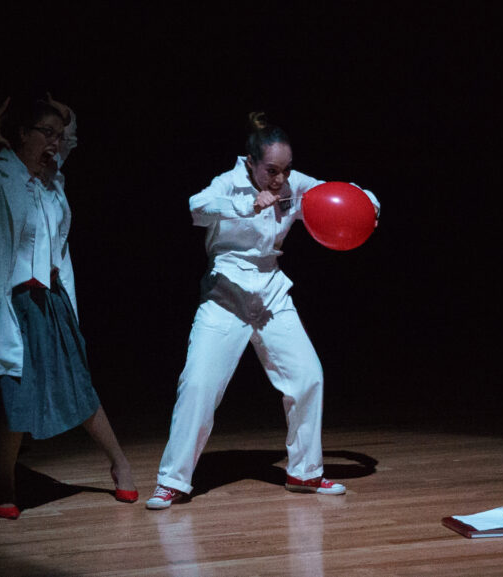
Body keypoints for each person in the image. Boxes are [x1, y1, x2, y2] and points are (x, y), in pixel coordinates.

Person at [146, 112, 380, 510]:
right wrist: (247, 205)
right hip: (225, 294)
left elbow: (343, 194)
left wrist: (368, 205)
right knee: (199, 384)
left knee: (307, 377)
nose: (280, 179)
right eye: (271, 170)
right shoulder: (228, 182)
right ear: (251, 162)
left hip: (272, 293)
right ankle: (173, 481)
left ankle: (305, 472)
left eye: (285, 169)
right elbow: (197, 207)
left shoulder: (294, 183)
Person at [0, 94, 137, 519]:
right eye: (47, 133)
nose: (56, 141)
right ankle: (5, 480)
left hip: (52, 302)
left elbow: (71, 141)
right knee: (15, 397)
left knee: (79, 386)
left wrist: (68, 116)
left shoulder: (53, 180)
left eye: (59, 135)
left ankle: (120, 463)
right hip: (14, 304)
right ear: (22, 134)